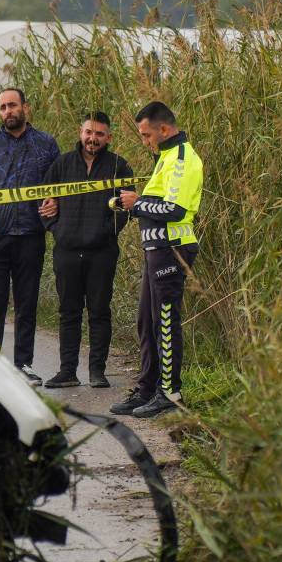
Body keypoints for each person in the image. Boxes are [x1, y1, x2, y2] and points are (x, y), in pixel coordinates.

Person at [109, 101, 203, 418]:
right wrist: (132, 203)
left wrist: (136, 204)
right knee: (146, 322)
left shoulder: (181, 159)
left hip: (173, 249)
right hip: (156, 250)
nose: (145, 141)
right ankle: (148, 388)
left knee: (164, 321)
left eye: (147, 135)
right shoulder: (164, 157)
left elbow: (174, 211)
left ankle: (170, 393)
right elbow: (158, 202)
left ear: (164, 129)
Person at [0, 88, 61, 386]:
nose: (8, 111)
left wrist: (55, 201)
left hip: (31, 235)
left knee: (27, 302)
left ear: (25, 108)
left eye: (12, 105)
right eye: (3, 107)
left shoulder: (46, 144)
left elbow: (60, 185)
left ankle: (25, 364)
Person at [39, 111, 134, 389]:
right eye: (89, 132)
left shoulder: (119, 166)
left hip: (101, 252)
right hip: (66, 250)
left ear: (109, 137)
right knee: (68, 312)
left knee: (99, 312)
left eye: (99, 134)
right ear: (81, 133)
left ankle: (97, 371)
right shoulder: (62, 164)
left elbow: (127, 207)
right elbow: (43, 202)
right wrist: (56, 227)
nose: (93, 139)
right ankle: (67, 371)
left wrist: (106, 232)